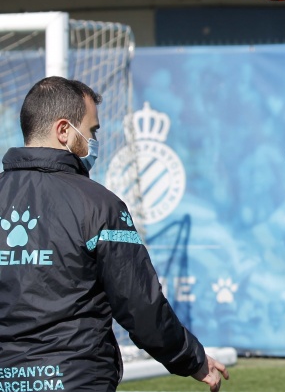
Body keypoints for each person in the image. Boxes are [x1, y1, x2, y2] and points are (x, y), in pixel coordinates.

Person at [0, 76, 229, 392]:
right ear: (64, 130)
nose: (95, 141)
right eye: (92, 131)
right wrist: (191, 358)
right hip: (76, 378)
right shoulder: (98, 204)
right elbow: (139, 304)